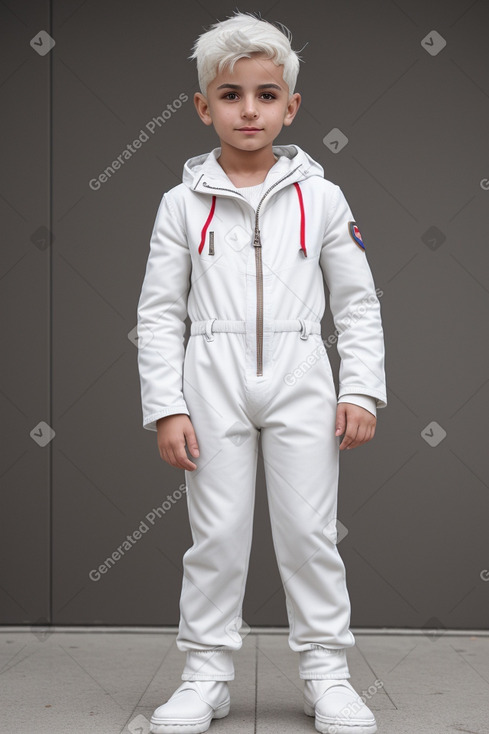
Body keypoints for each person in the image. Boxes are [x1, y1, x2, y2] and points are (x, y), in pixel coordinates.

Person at [136, 10, 387, 734]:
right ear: (202, 106)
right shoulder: (180, 205)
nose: (249, 110)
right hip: (208, 378)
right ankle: (205, 675)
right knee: (214, 539)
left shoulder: (323, 196)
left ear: (291, 105)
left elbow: (358, 302)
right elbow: (158, 313)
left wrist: (360, 387)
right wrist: (167, 405)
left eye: (266, 94)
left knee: (309, 535)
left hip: (301, 372)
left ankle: (327, 675)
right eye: (230, 94)